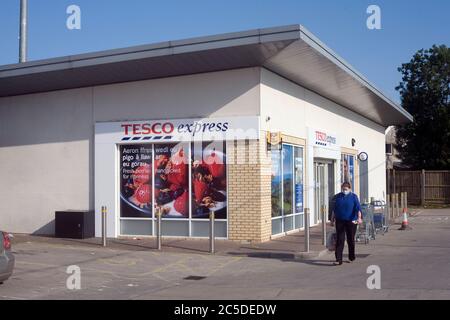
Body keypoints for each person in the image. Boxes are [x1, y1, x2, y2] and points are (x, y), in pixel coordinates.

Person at [330, 182, 363, 265]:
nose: (344, 191)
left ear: (350, 189)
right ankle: (338, 259)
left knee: (350, 239)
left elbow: (358, 208)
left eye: (346, 189)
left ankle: (351, 257)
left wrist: (359, 218)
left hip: (351, 221)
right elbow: (334, 209)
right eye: (343, 189)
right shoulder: (338, 197)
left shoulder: (354, 197)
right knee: (340, 239)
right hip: (340, 220)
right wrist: (332, 219)